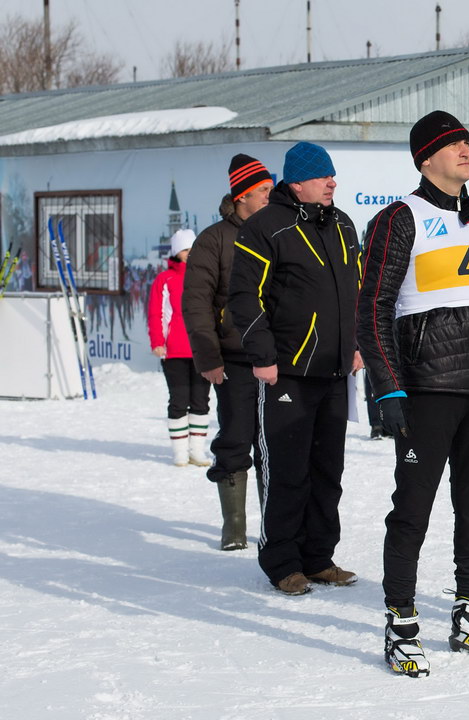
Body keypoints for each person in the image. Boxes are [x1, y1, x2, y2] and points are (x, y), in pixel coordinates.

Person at [357, 111, 469, 676]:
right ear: (425, 158)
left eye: (466, 142)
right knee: (412, 510)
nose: (465, 150)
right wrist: (387, 388)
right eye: (453, 144)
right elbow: (372, 309)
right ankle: (402, 623)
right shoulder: (399, 219)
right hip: (425, 388)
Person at [228, 141, 362, 597]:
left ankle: (318, 558)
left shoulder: (343, 224)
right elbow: (246, 297)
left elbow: (356, 289)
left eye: (333, 175)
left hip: (334, 373)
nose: (332, 182)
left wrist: (356, 344)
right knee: (287, 471)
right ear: (297, 182)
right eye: (323, 176)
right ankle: (283, 562)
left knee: (328, 470)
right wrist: (263, 356)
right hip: (286, 372)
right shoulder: (267, 226)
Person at [182, 154, 273, 551]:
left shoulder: (278, 231)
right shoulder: (214, 239)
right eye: (265, 191)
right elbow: (196, 302)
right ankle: (234, 527)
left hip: (278, 358)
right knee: (237, 436)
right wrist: (208, 358)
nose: (273, 196)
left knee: (277, 443)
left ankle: (276, 526)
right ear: (242, 197)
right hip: (234, 359)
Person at [149, 229, 211, 467]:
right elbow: (156, 312)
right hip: (174, 351)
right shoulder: (164, 280)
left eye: (193, 249)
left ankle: (197, 450)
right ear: (176, 252)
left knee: (201, 401)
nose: (190, 254)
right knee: (179, 400)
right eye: (186, 250)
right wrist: (157, 341)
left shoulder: (205, 277)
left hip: (201, 350)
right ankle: (180, 452)